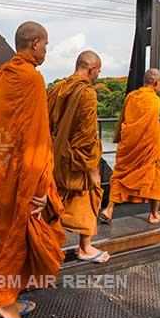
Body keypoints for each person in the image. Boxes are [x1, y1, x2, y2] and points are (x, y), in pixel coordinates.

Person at [0, 21, 67, 318]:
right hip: (21, 176)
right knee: (16, 235)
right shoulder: (31, 79)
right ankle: (2, 304)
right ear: (34, 43)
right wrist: (40, 188)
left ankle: (4, 292)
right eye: (45, 45)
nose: (46, 50)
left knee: (4, 232)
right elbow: (36, 141)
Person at [48, 51, 110, 263]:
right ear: (92, 69)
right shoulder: (86, 94)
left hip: (56, 156)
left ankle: (48, 244)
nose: (98, 76)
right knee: (89, 196)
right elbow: (86, 137)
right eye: (98, 72)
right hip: (76, 161)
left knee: (56, 201)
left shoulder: (57, 88)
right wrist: (92, 169)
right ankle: (85, 248)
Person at [100, 68, 160, 225]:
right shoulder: (154, 100)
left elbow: (123, 118)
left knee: (121, 175)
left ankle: (109, 209)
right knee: (155, 176)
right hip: (148, 147)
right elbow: (151, 126)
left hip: (129, 145)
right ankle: (154, 214)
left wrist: (119, 137)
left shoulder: (132, 96)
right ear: (156, 82)